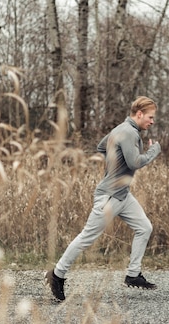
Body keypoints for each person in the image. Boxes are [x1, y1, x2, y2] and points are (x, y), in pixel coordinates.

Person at [45, 96, 162, 301]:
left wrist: (114, 162)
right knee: (86, 238)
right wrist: (153, 150)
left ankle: (133, 274)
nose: (152, 122)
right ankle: (57, 274)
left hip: (122, 195)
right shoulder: (127, 132)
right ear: (139, 114)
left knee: (144, 227)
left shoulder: (122, 129)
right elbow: (135, 162)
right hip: (109, 197)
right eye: (150, 117)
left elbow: (101, 146)